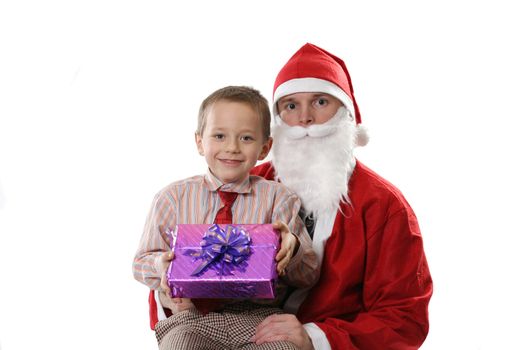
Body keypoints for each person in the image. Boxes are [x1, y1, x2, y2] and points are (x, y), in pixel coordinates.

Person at [250, 43, 433, 349]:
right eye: (291, 106)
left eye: (320, 102)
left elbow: (404, 317)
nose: (305, 119)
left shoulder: (384, 206)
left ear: (344, 112)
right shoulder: (250, 184)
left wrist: (315, 338)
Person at [132, 86, 319, 349]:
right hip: (190, 318)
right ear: (199, 142)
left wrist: (293, 249)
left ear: (265, 147)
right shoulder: (171, 199)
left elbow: (309, 275)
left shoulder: (280, 199)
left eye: (246, 138)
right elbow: (140, 263)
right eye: (219, 136)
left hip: (259, 319)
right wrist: (161, 266)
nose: (231, 148)